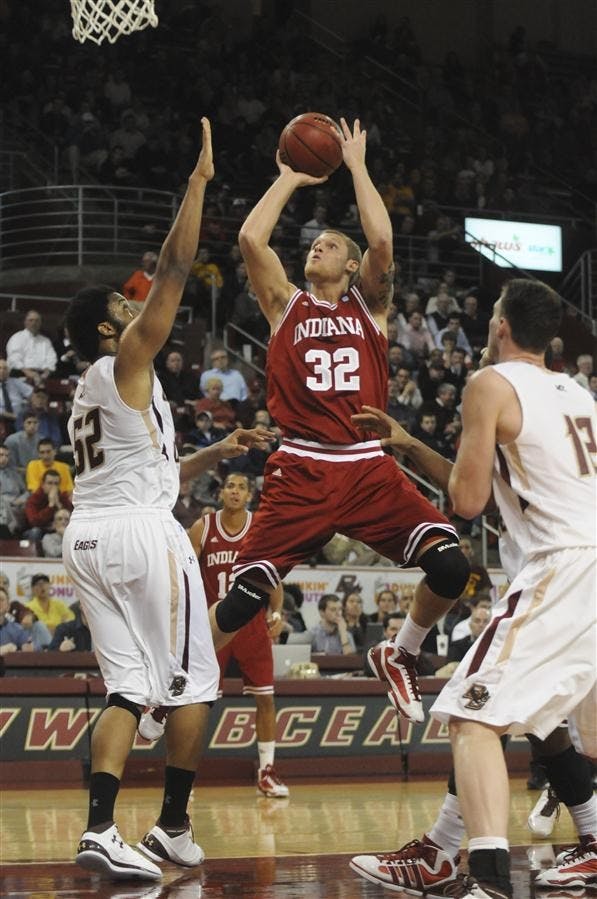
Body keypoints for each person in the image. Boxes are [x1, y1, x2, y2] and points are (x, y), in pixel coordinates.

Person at [61, 119, 273, 882]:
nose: (133, 307)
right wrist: (198, 184)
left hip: (88, 537)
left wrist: (211, 455)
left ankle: (98, 828)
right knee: (195, 680)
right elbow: (178, 266)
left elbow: (144, 470)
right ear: (108, 327)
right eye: (123, 306)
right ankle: (173, 825)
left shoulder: (94, 393)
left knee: (126, 686)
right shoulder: (124, 356)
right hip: (143, 537)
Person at [350, 277, 596, 898]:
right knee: (536, 714)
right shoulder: (579, 395)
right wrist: (409, 446)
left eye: (490, 316)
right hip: (584, 561)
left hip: (563, 567)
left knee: (469, 713)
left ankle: (483, 879)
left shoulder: (490, 383)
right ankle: (445, 847)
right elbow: (495, 491)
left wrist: (413, 453)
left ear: (502, 326)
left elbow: (465, 499)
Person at [207, 119, 470, 697]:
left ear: (352, 268)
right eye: (314, 243)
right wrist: (287, 179)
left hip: (367, 466)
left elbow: (382, 244)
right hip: (301, 467)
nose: (316, 245)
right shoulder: (284, 306)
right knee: (241, 600)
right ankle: (177, 679)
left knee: (452, 567)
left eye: (330, 244)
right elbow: (252, 241)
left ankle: (400, 653)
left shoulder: (369, 307)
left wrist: (355, 166)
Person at [185, 473, 288, 798]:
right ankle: (183, 775)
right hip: (212, 624)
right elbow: (184, 571)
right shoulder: (204, 526)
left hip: (251, 622)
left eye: (242, 487)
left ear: (249, 495)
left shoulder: (259, 527)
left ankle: (267, 771)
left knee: (265, 697)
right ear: (221, 493)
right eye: (230, 485)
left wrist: (276, 611)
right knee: (198, 701)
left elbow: (272, 575)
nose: (235, 491)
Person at [5, 310, 57, 385]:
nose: (34, 323)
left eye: (37, 320)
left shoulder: (45, 341)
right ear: (25, 322)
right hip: (21, 373)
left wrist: (46, 372)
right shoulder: (17, 338)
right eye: (31, 320)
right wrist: (27, 372)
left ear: (40, 323)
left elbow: (51, 358)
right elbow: (14, 359)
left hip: (42, 374)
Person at [24, 468, 73, 543]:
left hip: (57, 530)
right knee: (35, 532)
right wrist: (50, 506)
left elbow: (70, 518)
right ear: (43, 484)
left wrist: (58, 504)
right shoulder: (33, 499)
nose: (53, 486)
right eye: (50, 483)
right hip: (40, 529)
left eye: (56, 484)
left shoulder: (63, 497)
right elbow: (34, 522)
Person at [0, 444, 29, 537]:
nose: (4, 458)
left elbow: (26, 492)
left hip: (17, 504)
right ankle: (9, 531)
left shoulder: (15, 473)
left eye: (7, 456)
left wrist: (21, 499)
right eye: (1, 455)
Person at [0, 357, 33, 427]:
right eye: (0, 368)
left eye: (5, 368)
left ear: (9, 371)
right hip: (2, 420)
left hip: (20, 420)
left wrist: (28, 405)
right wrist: (10, 415)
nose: (2, 371)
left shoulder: (15, 382)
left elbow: (32, 394)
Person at [0, 586, 34, 654]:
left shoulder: (18, 630)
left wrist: (28, 648)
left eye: (1, 599)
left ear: (8, 606)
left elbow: (29, 652)